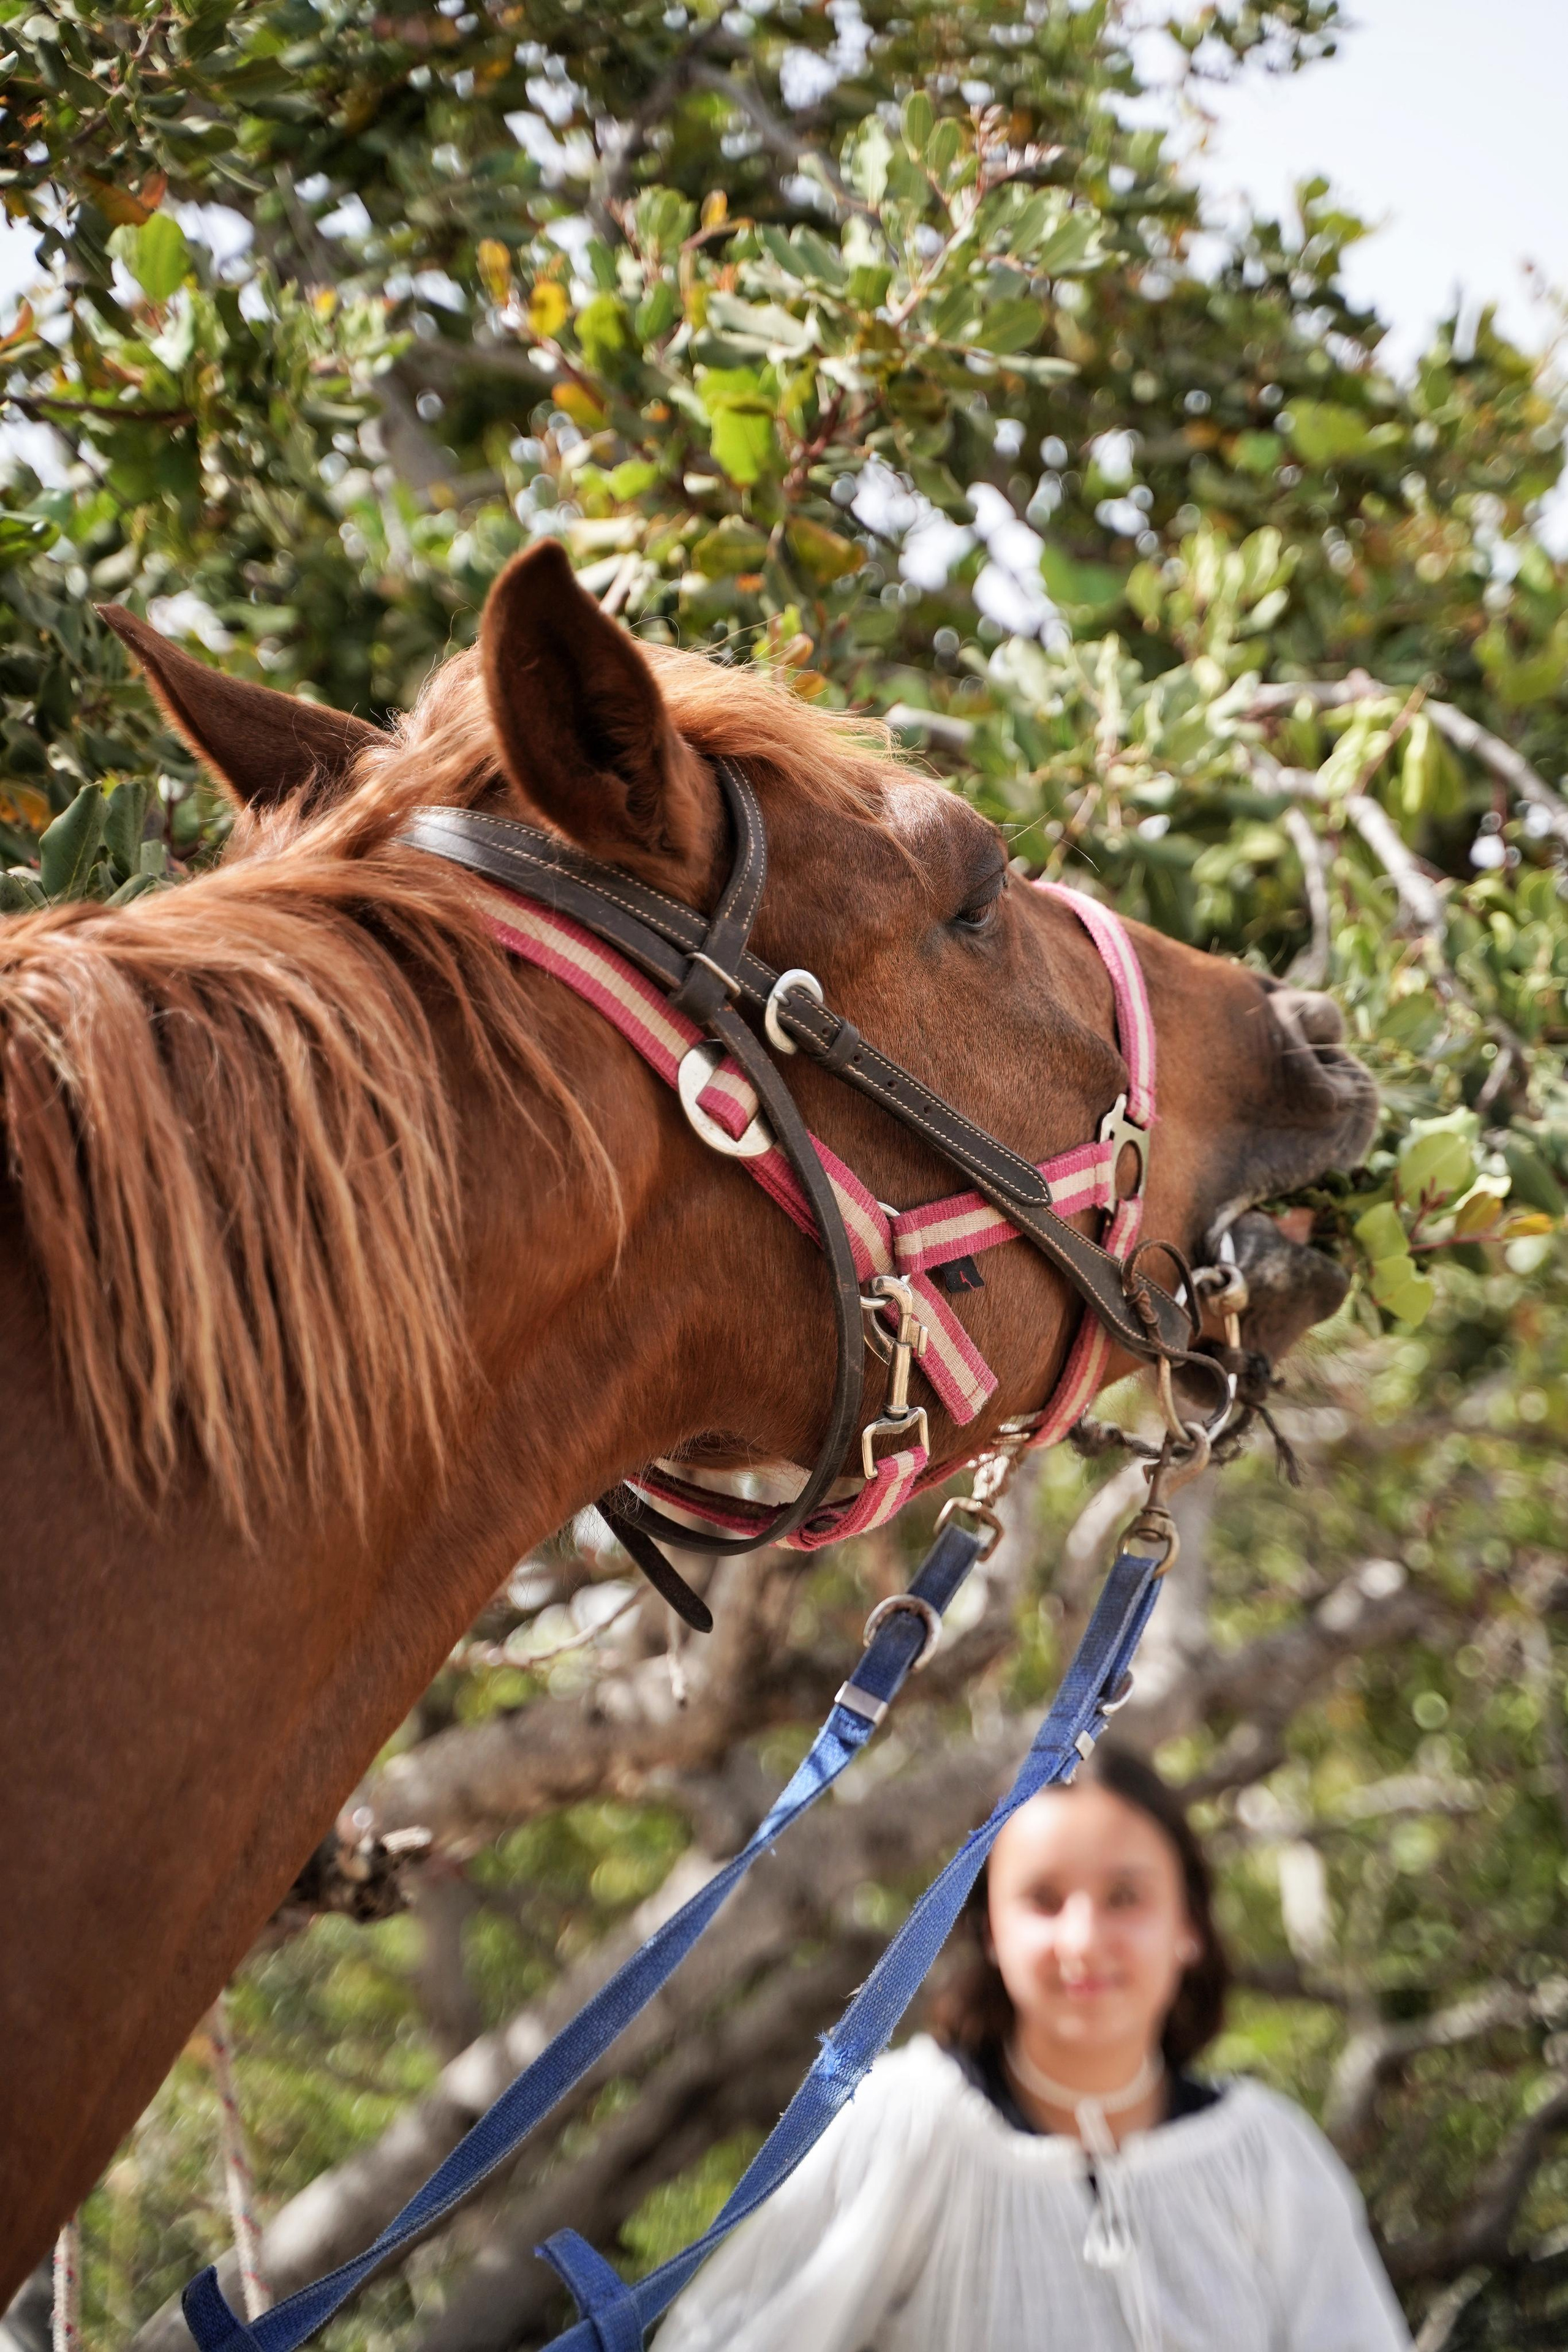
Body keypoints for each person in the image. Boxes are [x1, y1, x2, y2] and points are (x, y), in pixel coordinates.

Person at [657, 1746, 1411, 2351]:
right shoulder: (906, 2121)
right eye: (1042, 1900)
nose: (1082, 1941)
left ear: (1189, 1925)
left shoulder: (1268, 2154)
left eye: (1124, 1897)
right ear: (990, 1930)